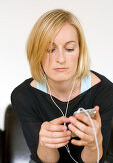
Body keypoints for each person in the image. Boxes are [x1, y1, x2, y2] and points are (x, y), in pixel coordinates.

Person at [11, 9, 113, 163]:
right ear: (36, 52)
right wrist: (46, 144)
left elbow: (94, 160)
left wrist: (93, 143)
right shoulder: (23, 96)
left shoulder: (105, 91)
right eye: (50, 50)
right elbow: (46, 161)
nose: (60, 59)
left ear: (80, 51)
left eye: (69, 49)